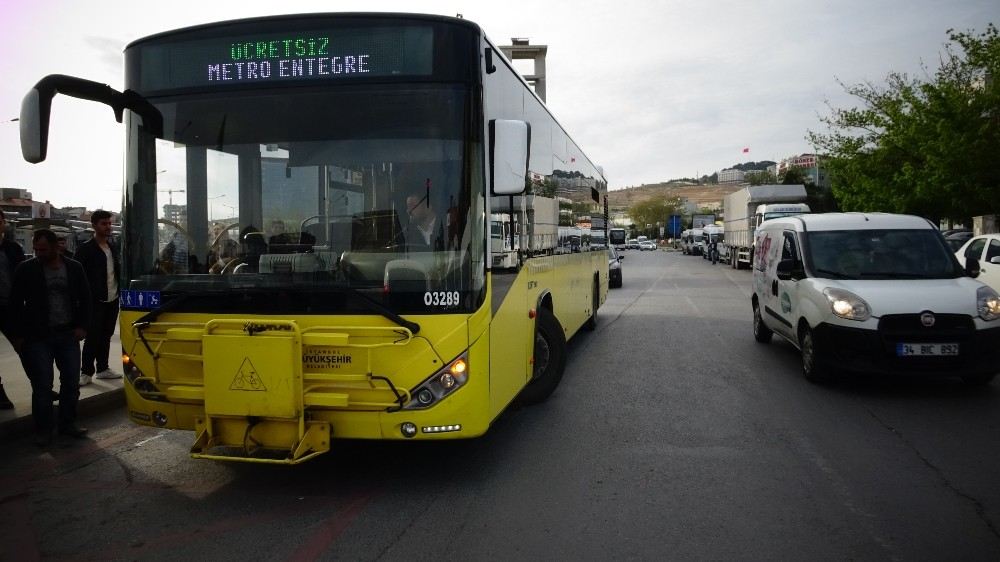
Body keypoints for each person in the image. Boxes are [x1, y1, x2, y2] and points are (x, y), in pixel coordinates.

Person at [9, 229, 92, 445]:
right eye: (36, 249)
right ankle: (44, 430)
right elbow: (15, 305)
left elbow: (86, 298)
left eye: (43, 249)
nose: (38, 253)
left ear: (56, 247)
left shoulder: (74, 268)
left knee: (71, 383)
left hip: (68, 334)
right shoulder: (26, 270)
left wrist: (83, 326)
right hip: (37, 337)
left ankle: (67, 423)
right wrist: (17, 336)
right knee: (43, 385)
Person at [74, 210, 121, 386]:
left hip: (112, 298)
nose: (108, 227)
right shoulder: (85, 249)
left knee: (106, 335)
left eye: (109, 223)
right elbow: (77, 276)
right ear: (94, 226)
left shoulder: (113, 247)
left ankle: (103, 369)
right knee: (92, 336)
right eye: (104, 223)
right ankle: (86, 372)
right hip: (94, 301)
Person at [0, 209, 26, 409]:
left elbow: (25, 277)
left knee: (26, 347)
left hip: (11, 307)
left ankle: (41, 386)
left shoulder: (13, 249)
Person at [405, 187, 444, 252]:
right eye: (408, 207)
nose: (408, 211)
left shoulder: (447, 228)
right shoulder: (408, 235)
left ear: (427, 206)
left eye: (412, 205)